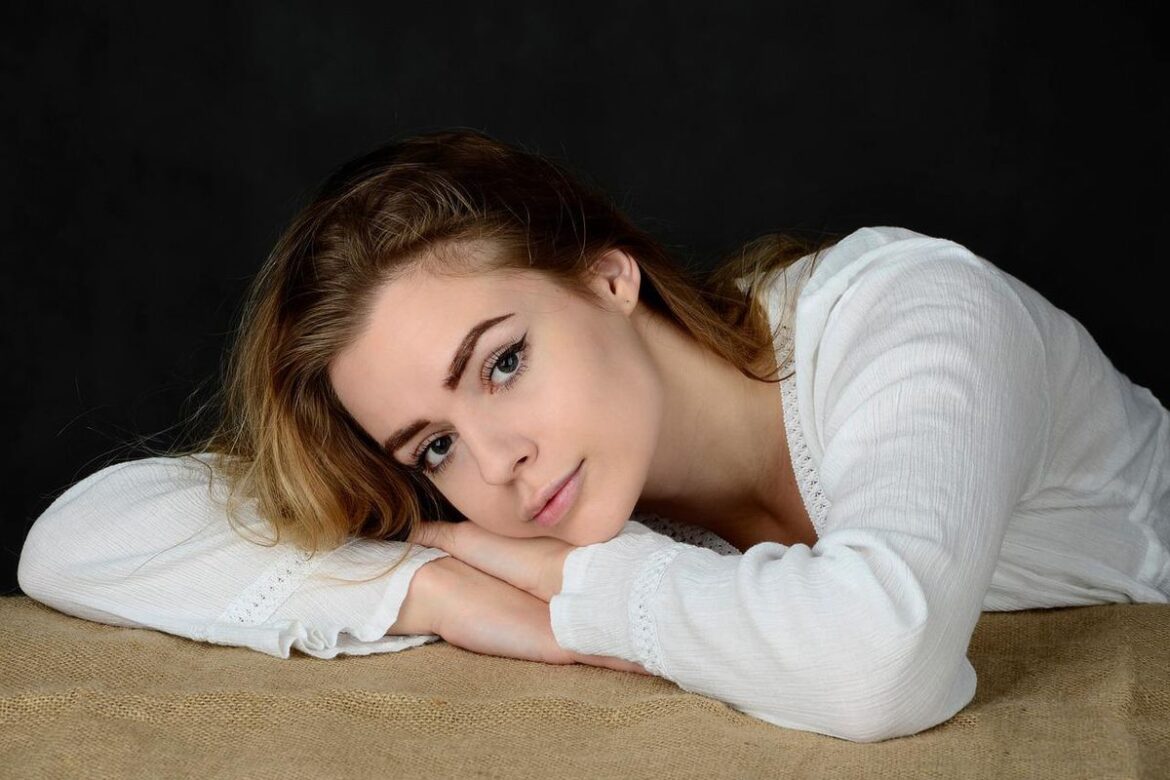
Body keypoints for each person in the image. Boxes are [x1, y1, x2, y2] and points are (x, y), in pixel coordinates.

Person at [17, 129, 1170, 744]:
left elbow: (879, 662)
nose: (495, 465)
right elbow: (74, 540)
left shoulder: (915, 313)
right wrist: (430, 588)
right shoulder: (591, 490)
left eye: (503, 363)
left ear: (609, 276)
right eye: (431, 448)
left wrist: (584, 592)